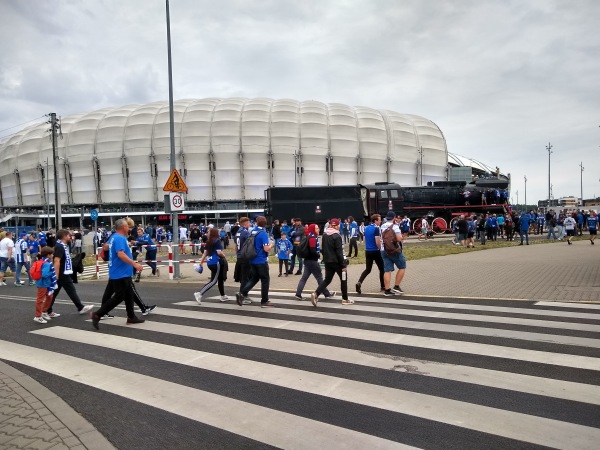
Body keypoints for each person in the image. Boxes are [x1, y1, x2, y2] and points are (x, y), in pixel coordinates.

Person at [91, 219, 145, 329]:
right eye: (127, 226)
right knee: (119, 297)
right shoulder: (119, 238)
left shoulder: (115, 237)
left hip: (121, 272)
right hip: (120, 273)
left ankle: (131, 317)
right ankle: (98, 314)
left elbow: (109, 248)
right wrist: (134, 264)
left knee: (129, 295)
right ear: (123, 227)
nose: (129, 228)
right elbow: (120, 254)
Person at [45, 229, 94, 317]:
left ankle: (47, 310)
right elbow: (56, 260)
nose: (70, 237)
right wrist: (56, 274)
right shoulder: (59, 246)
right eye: (68, 235)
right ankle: (80, 307)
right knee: (71, 290)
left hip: (62, 272)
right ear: (64, 236)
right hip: (62, 273)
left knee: (54, 292)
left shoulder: (62, 245)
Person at [310, 218, 352, 306]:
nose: (339, 226)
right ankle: (345, 299)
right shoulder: (337, 236)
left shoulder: (325, 235)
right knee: (343, 279)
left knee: (327, 280)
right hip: (337, 262)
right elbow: (339, 252)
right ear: (336, 225)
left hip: (328, 261)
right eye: (338, 224)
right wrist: (343, 264)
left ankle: (316, 294)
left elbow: (324, 249)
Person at [236, 216, 274, 308]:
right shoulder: (263, 233)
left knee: (255, 278)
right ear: (265, 223)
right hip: (261, 260)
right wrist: (271, 245)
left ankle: (242, 293)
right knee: (265, 280)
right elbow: (266, 248)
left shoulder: (253, 231)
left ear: (256, 223)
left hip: (252, 259)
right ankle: (264, 301)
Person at [295, 224, 335, 300]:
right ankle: (327, 294)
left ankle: (298, 294)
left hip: (307, 261)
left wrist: (321, 251)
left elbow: (313, 248)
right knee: (320, 278)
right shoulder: (312, 238)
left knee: (304, 278)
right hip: (313, 261)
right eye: (317, 228)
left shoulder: (309, 236)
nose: (318, 229)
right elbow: (313, 250)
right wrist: (318, 255)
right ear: (313, 229)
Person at [194, 227, 228, 304]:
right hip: (216, 262)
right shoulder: (217, 241)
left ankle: (223, 295)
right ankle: (199, 293)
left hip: (210, 262)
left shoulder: (208, 241)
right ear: (216, 233)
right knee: (213, 281)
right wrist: (224, 256)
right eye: (218, 232)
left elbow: (205, 253)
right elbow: (219, 252)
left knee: (219, 279)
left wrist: (201, 262)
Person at [356, 214, 385, 294]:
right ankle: (383, 286)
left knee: (368, 269)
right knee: (382, 269)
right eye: (379, 220)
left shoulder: (366, 228)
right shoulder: (376, 228)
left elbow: (364, 241)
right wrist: (380, 249)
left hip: (367, 251)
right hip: (375, 251)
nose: (380, 221)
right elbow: (377, 242)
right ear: (375, 221)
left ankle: (359, 282)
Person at [380, 211, 406, 296]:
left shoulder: (382, 226)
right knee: (402, 266)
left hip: (384, 250)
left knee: (387, 270)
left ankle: (387, 290)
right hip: (394, 250)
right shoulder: (395, 226)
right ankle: (396, 286)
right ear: (394, 218)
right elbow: (399, 238)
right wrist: (402, 237)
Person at [33, 246, 57, 324]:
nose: (53, 255)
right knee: (40, 300)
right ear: (48, 255)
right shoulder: (47, 264)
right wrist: (52, 272)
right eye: (52, 254)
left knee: (49, 297)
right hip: (43, 284)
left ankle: (44, 311)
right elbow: (44, 274)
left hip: (45, 283)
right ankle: (38, 316)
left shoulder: (44, 261)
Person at [234, 217, 251, 295]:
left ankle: (243, 294)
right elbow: (249, 245)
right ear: (245, 223)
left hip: (239, 256)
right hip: (245, 257)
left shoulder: (238, 232)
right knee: (246, 277)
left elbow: (235, 246)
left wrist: (237, 254)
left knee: (243, 276)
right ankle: (243, 294)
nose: (250, 224)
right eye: (249, 223)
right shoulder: (246, 233)